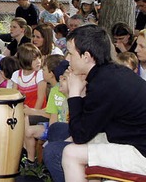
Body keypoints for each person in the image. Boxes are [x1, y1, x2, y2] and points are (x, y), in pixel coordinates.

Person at [44, 25, 146, 182]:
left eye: (71, 54)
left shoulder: (103, 84)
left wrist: (74, 94)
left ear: (86, 56)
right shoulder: (110, 72)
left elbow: (79, 135)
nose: (67, 59)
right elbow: (88, 122)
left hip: (139, 153)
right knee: (57, 129)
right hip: (127, 137)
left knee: (68, 153)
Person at [22, 54, 65, 168]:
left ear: (51, 73)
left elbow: (50, 113)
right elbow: (51, 111)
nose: (42, 71)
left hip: (61, 128)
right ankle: (31, 160)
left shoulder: (63, 89)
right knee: (29, 130)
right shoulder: (54, 89)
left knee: (27, 118)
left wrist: (33, 111)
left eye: (44, 69)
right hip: (52, 124)